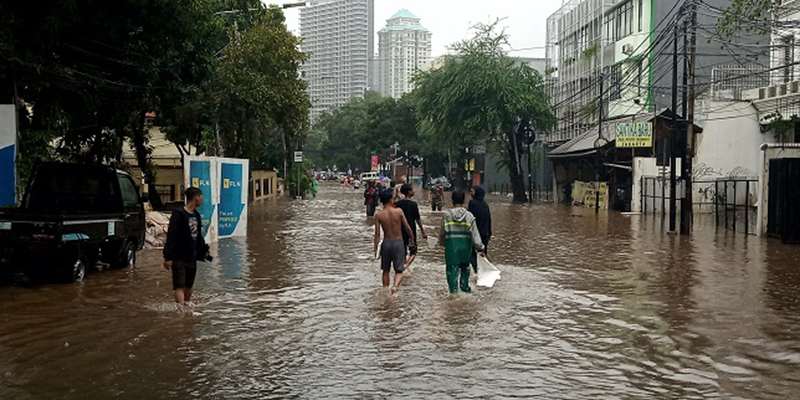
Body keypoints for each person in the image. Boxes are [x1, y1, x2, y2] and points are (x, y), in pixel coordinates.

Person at [163, 187, 211, 306]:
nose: (202, 201)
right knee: (179, 285)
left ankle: (187, 306)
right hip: (178, 256)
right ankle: (181, 311)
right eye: (201, 198)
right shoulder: (178, 214)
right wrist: (168, 257)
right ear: (196, 198)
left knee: (189, 285)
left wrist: (204, 251)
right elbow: (171, 235)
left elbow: (198, 236)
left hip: (191, 256)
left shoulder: (196, 215)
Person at [439, 190, 485, 294]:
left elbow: (442, 233)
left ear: (452, 200)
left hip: (452, 248)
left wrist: (442, 243)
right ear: (464, 201)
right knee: (465, 269)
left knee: (452, 271)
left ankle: (453, 293)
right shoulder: (469, 216)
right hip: (465, 248)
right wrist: (480, 248)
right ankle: (465, 289)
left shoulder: (447, 215)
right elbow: (475, 235)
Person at [374, 190, 415, 295]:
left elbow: (377, 234)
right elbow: (407, 227)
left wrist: (375, 249)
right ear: (391, 200)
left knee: (386, 270)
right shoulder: (399, 211)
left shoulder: (379, 215)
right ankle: (395, 287)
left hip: (386, 243)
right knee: (399, 270)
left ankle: (386, 290)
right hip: (398, 242)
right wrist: (412, 238)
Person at [396, 184, 427, 269]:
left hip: (400, 230)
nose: (414, 191)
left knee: (403, 251)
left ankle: (403, 265)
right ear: (409, 192)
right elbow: (418, 219)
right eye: (412, 190)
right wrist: (422, 231)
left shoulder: (398, 204)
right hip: (411, 231)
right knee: (413, 251)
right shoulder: (413, 205)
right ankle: (406, 265)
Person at [468, 186, 492, 274]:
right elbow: (489, 219)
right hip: (485, 233)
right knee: (483, 253)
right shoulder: (485, 204)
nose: (470, 193)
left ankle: (476, 270)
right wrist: (489, 233)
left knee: (472, 254)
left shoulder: (472, 203)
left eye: (472, 192)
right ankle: (484, 270)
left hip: (475, 233)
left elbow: (470, 219)